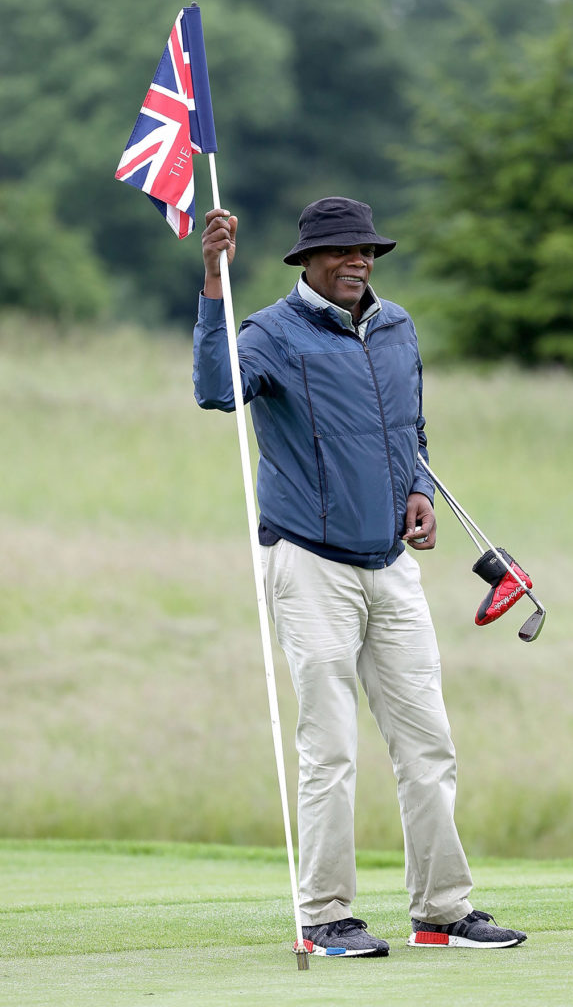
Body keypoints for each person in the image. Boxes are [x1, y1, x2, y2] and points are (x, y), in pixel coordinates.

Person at [193, 196, 526, 957]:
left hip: (390, 563)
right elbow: (216, 389)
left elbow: (408, 425)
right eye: (342, 251)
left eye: (367, 251)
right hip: (309, 564)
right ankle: (325, 915)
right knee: (331, 746)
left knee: (427, 743)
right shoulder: (272, 333)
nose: (358, 262)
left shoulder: (396, 326)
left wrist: (418, 487)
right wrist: (214, 279)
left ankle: (441, 911)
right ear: (306, 261)